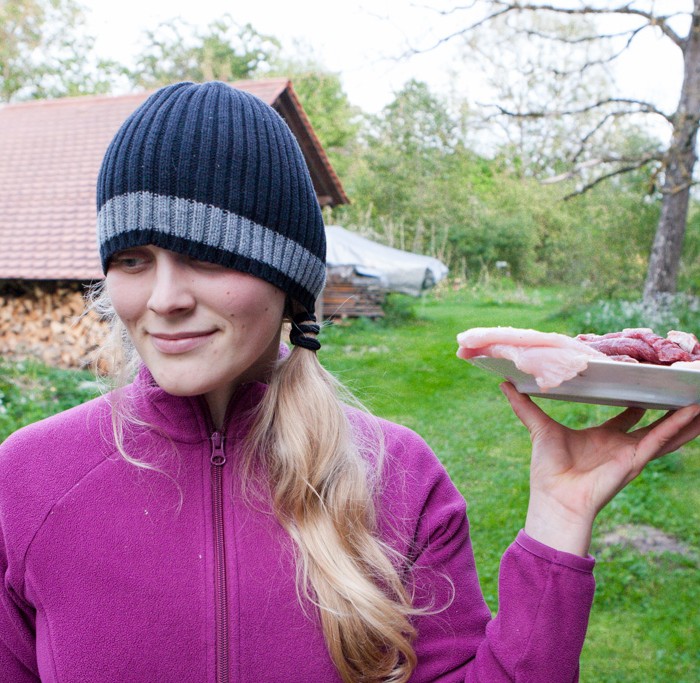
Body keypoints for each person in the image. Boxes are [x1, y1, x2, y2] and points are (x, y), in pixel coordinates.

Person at [1, 81, 698, 683]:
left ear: (286, 278)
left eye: (207, 257)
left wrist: (560, 518)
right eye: (132, 260)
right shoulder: (27, 480)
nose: (164, 298)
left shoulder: (401, 479)